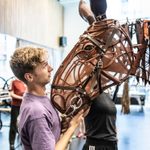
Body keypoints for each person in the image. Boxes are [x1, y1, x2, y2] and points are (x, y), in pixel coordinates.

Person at [9, 46, 87, 150]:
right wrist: (72, 127)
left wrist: (60, 125)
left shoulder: (40, 99)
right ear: (30, 77)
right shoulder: (36, 112)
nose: (51, 69)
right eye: (45, 66)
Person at [9, 78, 26, 150]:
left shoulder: (25, 82)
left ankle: (24, 141)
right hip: (15, 106)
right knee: (13, 124)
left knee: (24, 124)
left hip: (24, 106)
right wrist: (22, 98)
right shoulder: (13, 81)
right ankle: (11, 143)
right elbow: (11, 94)